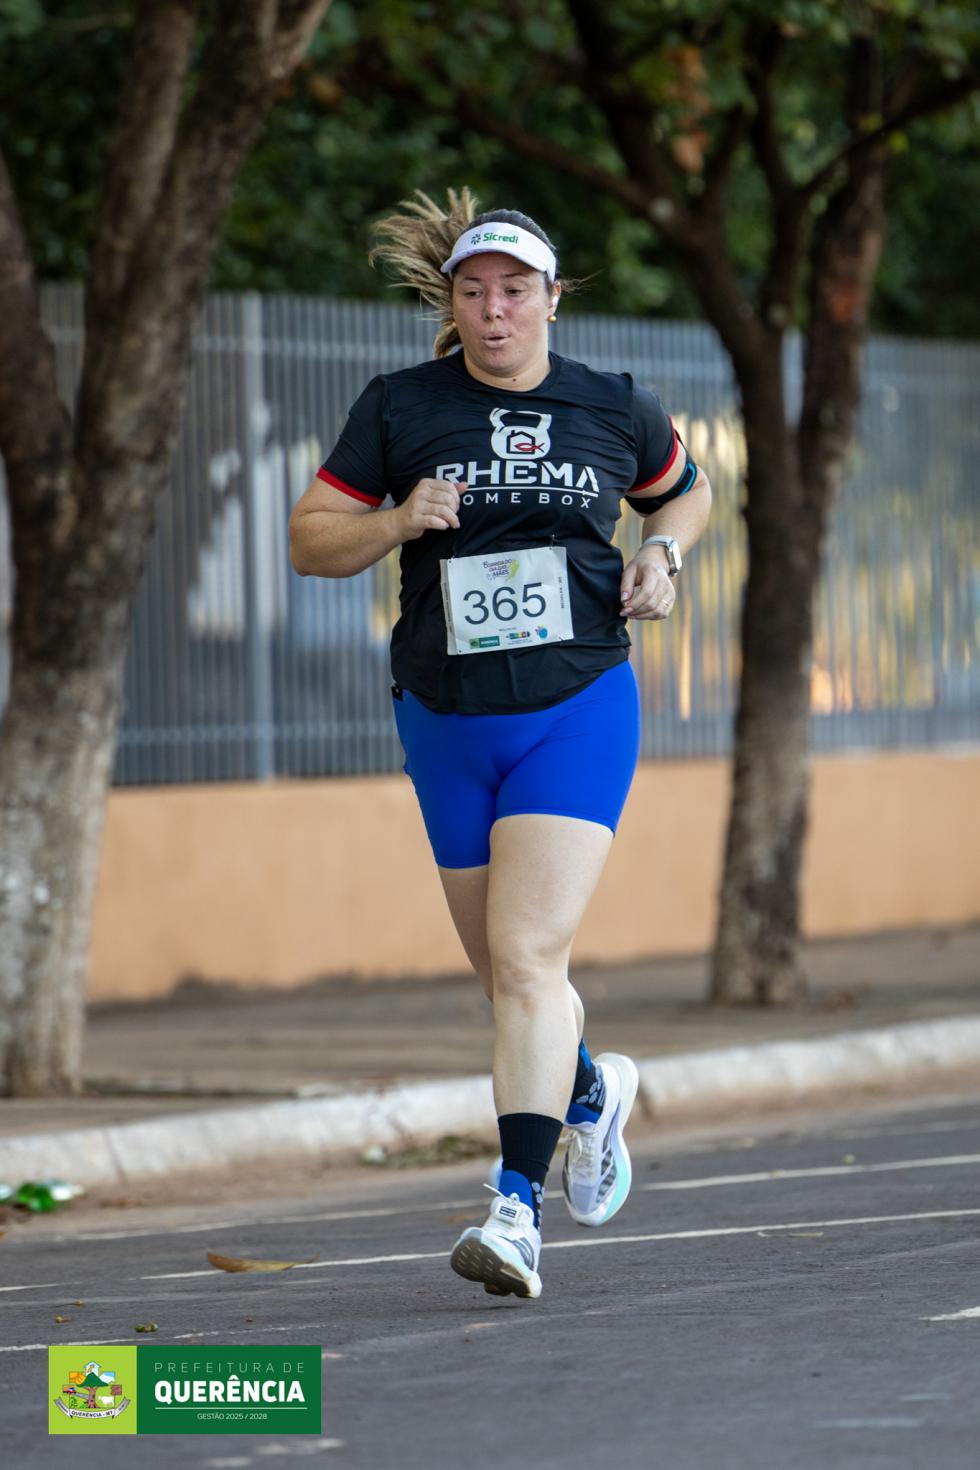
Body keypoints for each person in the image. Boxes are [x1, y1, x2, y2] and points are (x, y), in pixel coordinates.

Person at [289, 189, 712, 1300]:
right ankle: (588, 1094)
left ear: (551, 299)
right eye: (473, 292)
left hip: (575, 704)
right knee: (511, 977)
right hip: (443, 713)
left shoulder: (613, 405)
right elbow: (309, 540)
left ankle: (514, 1209)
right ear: (453, 303)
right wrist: (397, 519)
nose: (493, 311)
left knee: (526, 958)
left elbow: (686, 494)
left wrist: (662, 555)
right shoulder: (400, 406)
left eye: (515, 291)